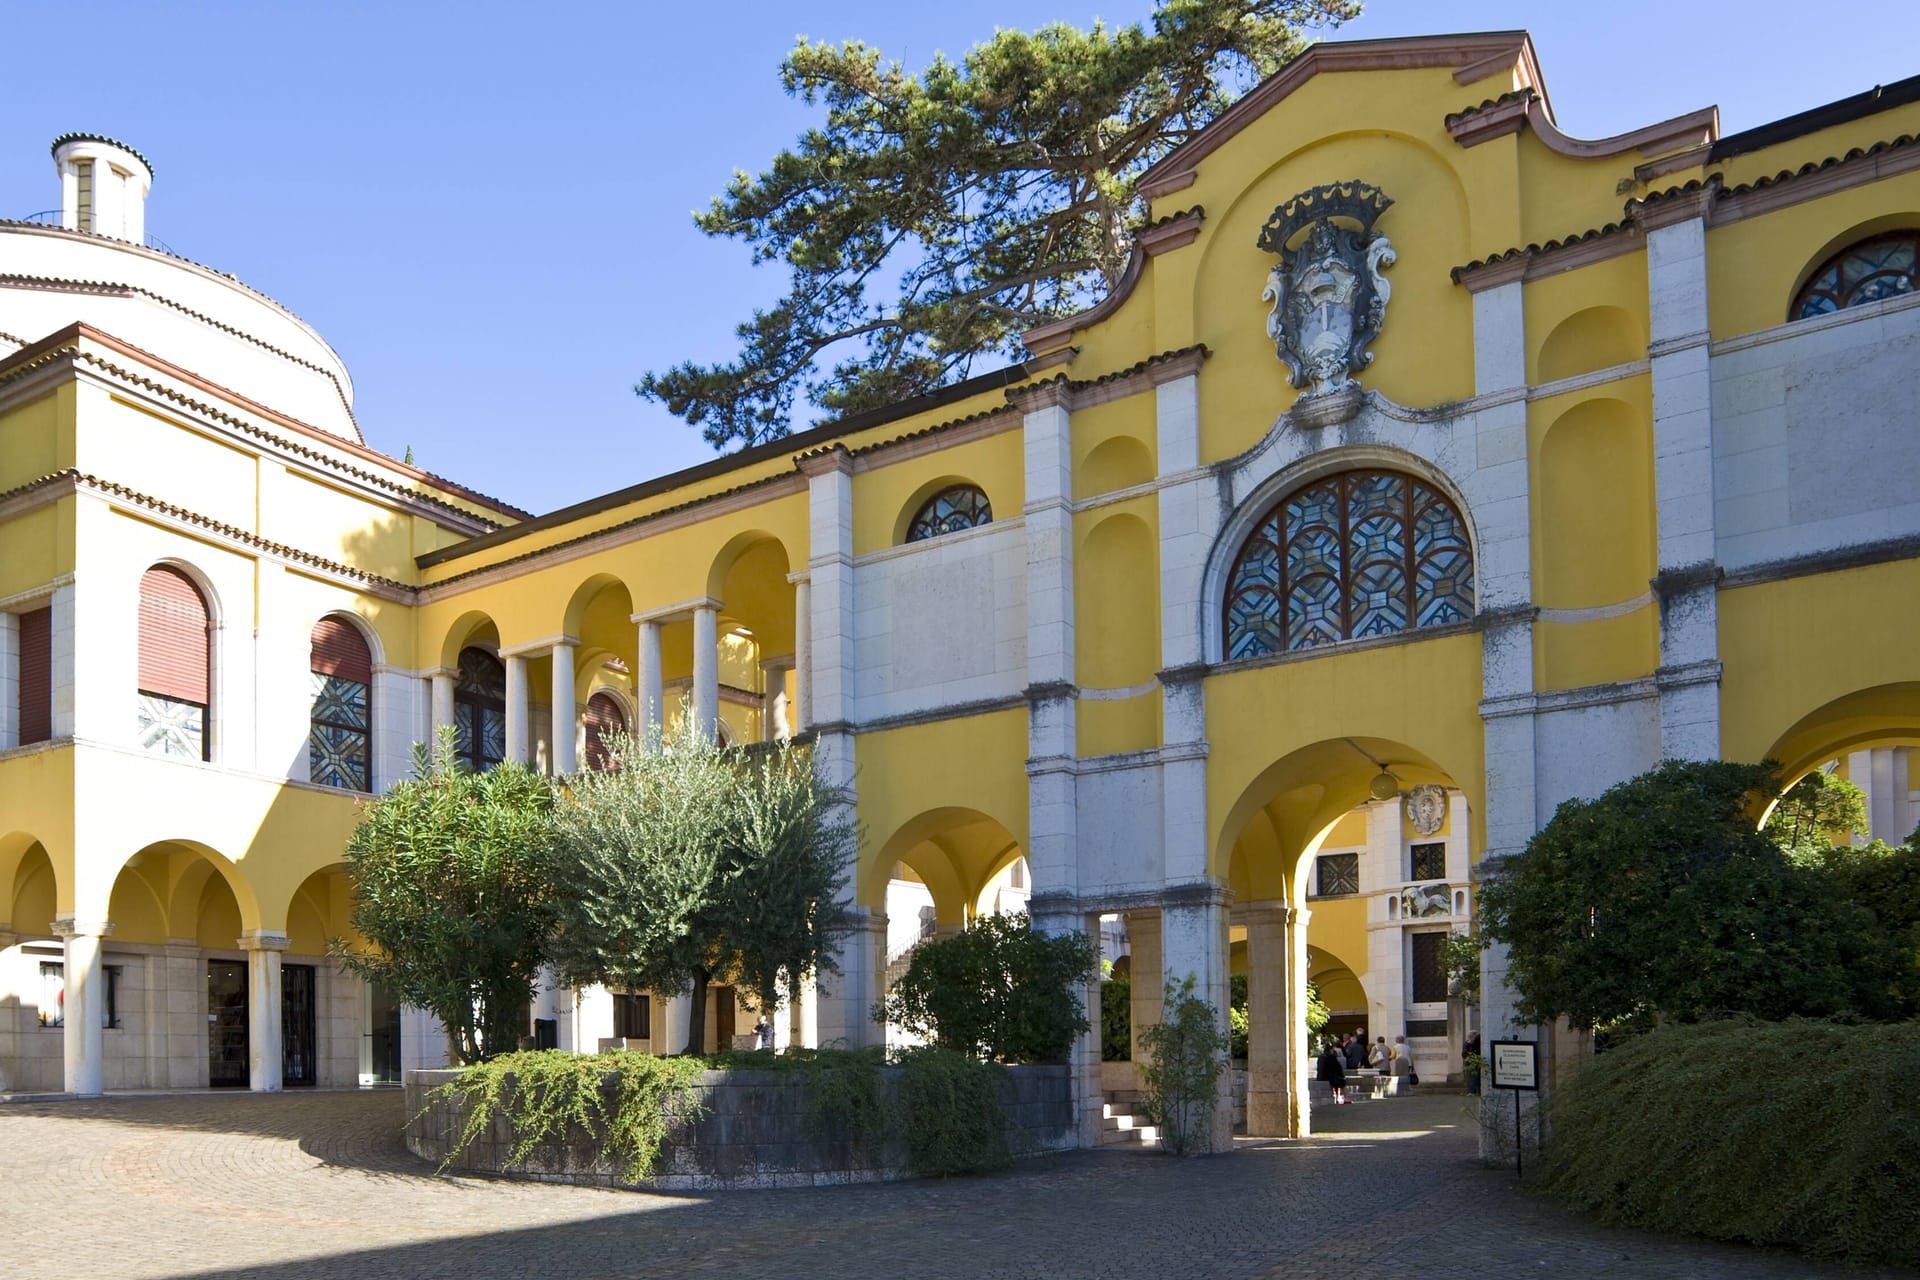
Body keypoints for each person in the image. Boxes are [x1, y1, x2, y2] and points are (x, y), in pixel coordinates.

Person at [1316, 1039, 1349, 1105]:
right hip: (1329, 1077)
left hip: (1321, 1076)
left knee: (1336, 1081)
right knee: (1342, 1082)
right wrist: (1342, 1075)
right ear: (1331, 1050)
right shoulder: (1331, 1057)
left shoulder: (1321, 1057)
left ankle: (1336, 1098)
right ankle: (1345, 1098)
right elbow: (1337, 1067)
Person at [1464, 1031, 1482, 1096]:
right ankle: (1474, 1091)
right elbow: (1465, 1053)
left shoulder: (1473, 1042)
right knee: (1474, 1077)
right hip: (1472, 1062)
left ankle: (1474, 1091)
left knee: (1475, 1077)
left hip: (1474, 1062)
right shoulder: (1468, 1043)